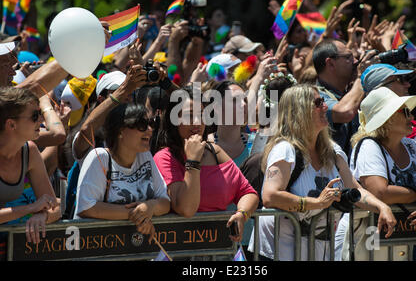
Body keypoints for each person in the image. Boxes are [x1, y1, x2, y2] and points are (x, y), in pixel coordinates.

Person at [248, 84, 395, 261]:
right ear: (299, 111)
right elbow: (270, 196)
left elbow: (355, 189)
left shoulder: (333, 151)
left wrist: (382, 207)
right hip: (278, 252)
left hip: (316, 252)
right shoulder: (285, 150)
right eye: (318, 103)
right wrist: (317, 203)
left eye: (324, 101)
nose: (325, 106)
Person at [346, 87, 416, 260]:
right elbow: (379, 192)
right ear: (388, 119)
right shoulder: (368, 146)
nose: (412, 117)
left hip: (403, 245)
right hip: (371, 243)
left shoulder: (412, 146)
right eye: (406, 112)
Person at [154, 85, 259, 243]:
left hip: (221, 250)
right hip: (182, 251)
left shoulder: (214, 151)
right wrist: (193, 162)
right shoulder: (165, 157)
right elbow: (186, 209)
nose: (197, 122)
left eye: (201, 115)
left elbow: (248, 192)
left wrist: (242, 214)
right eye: (190, 116)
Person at [74, 103, 170, 237]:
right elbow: (87, 207)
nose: (149, 129)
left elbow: (165, 202)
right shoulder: (99, 158)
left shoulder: (145, 156)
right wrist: (138, 214)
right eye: (142, 124)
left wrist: (151, 206)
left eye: (151, 123)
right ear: (120, 131)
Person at [0, 87, 60, 244]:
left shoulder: (30, 151)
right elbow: (39, 205)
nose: (41, 120)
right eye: (35, 116)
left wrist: (42, 215)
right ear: (11, 124)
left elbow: (54, 207)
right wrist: (31, 208)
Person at [361, 63, 416, 155]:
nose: (408, 84)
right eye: (400, 80)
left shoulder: (404, 117)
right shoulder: (390, 122)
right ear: (382, 87)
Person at [312, 38, 379, 155]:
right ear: (331, 63)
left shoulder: (351, 92)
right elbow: (344, 112)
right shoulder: (315, 96)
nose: (356, 62)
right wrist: (361, 76)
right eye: (349, 57)